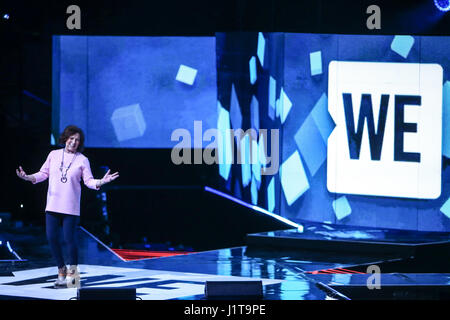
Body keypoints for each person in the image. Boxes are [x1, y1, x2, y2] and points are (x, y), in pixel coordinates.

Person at [16, 125, 119, 288]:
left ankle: (73, 276)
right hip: (52, 205)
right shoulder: (54, 155)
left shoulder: (82, 160)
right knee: (51, 238)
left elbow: (89, 181)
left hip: (70, 207)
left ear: (80, 143)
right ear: (65, 138)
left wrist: (101, 181)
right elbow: (43, 174)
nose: (73, 142)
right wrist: (28, 177)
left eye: (77, 140)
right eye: (71, 138)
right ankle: (61, 270)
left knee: (70, 241)